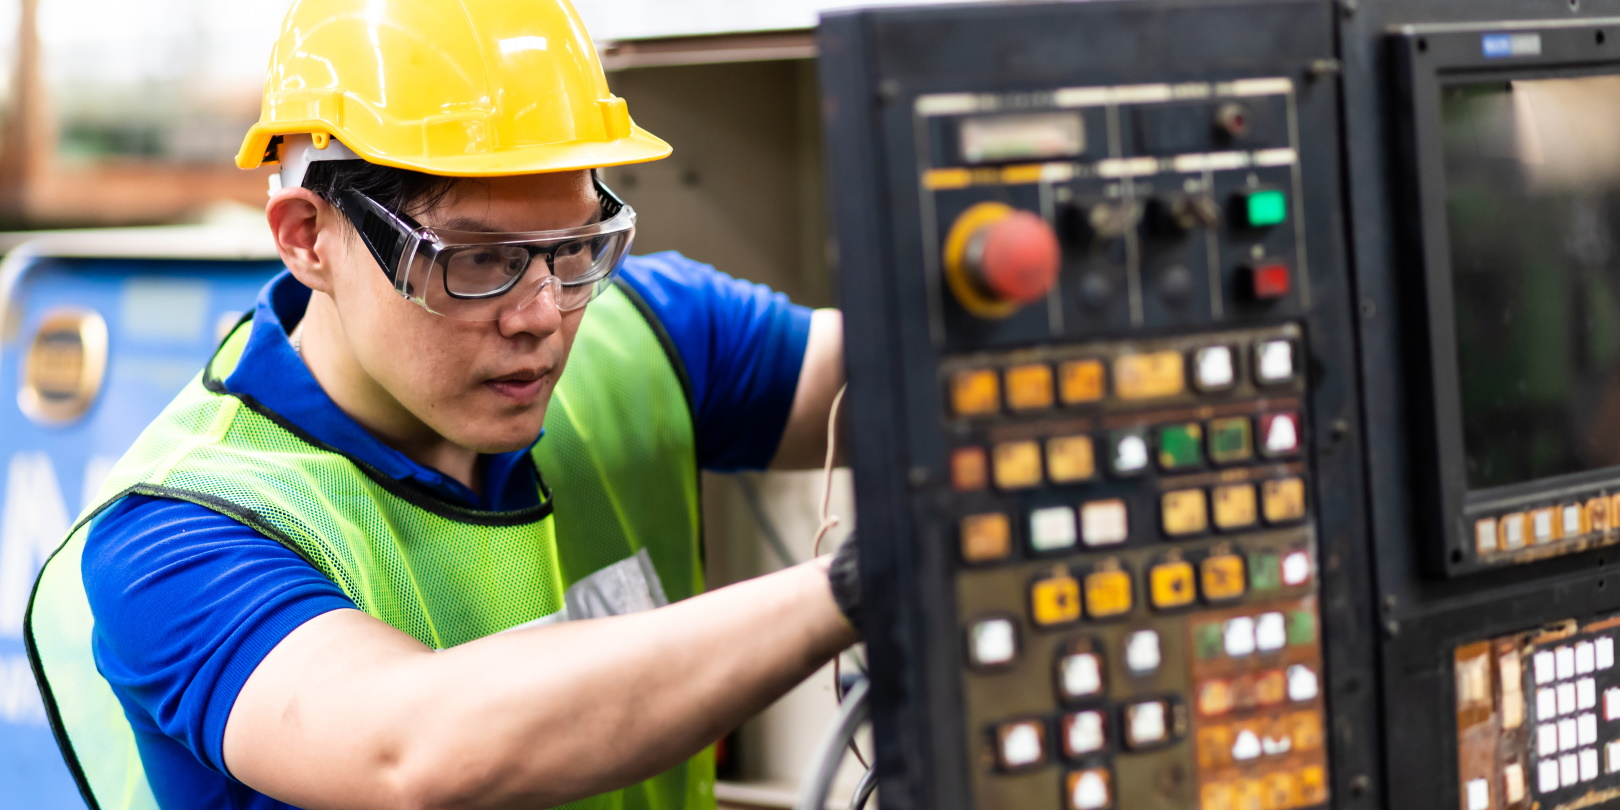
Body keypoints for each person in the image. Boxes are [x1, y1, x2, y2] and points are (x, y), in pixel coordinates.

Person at [26, 1, 861, 808]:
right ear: (307, 236)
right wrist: (858, 587)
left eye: (572, 247)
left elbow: (902, 379)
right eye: (476, 262)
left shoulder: (645, 328)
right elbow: (414, 753)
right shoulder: (184, 533)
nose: (541, 314)